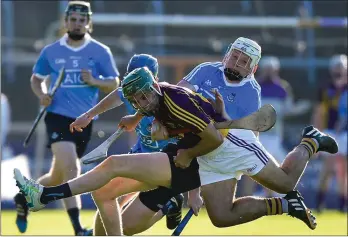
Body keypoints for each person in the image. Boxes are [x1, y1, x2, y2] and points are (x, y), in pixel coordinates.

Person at [14, 37, 338, 234]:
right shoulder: (194, 77)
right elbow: (166, 99)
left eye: (244, 61)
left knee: (284, 181)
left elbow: (215, 136)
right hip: (200, 150)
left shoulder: (250, 92)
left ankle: (309, 141)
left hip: (228, 146)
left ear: (252, 68)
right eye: (234, 55)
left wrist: (188, 150)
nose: (236, 62)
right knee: (222, 218)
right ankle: (284, 207)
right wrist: (141, 116)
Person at [13, 2, 120, 235]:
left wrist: (95, 81)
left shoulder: (100, 51)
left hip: (84, 119)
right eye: (73, 19)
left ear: (88, 23)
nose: (77, 24)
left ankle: (24, 197)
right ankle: (78, 228)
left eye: (82, 20)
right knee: (72, 167)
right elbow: (36, 78)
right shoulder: (51, 51)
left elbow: (114, 83)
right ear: (66, 21)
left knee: (58, 175)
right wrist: (42, 95)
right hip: (57, 116)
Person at [71, 54, 191, 235]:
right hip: (139, 154)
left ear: (155, 80)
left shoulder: (167, 96)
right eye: (130, 79)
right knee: (106, 195)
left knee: (128, 227)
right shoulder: (126, 91)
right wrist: (87, 116)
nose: (135, 89)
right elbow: (112, 99)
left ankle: (167, 206)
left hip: (163, 164)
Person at [243, 56, 310, 197]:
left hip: (274, 136)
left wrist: (303, 107)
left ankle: (274, 197)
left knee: (276, 166)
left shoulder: (282, 87)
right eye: (267, 69)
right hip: (257, 135)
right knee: (255, 168)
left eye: (271, 70)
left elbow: (288, 109)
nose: (269, 72)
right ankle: (257, 196)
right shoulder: (254, 86)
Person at [312, 54, 347, 212]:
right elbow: (319, 113)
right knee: (328, 167)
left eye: (341, 67)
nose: (338, 70)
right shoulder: (325, 88)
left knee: (343, 170)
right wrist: (315, 134)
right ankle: (320, 203)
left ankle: (342, 205)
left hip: (345, 133)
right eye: (336, 67)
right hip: (330, 131)